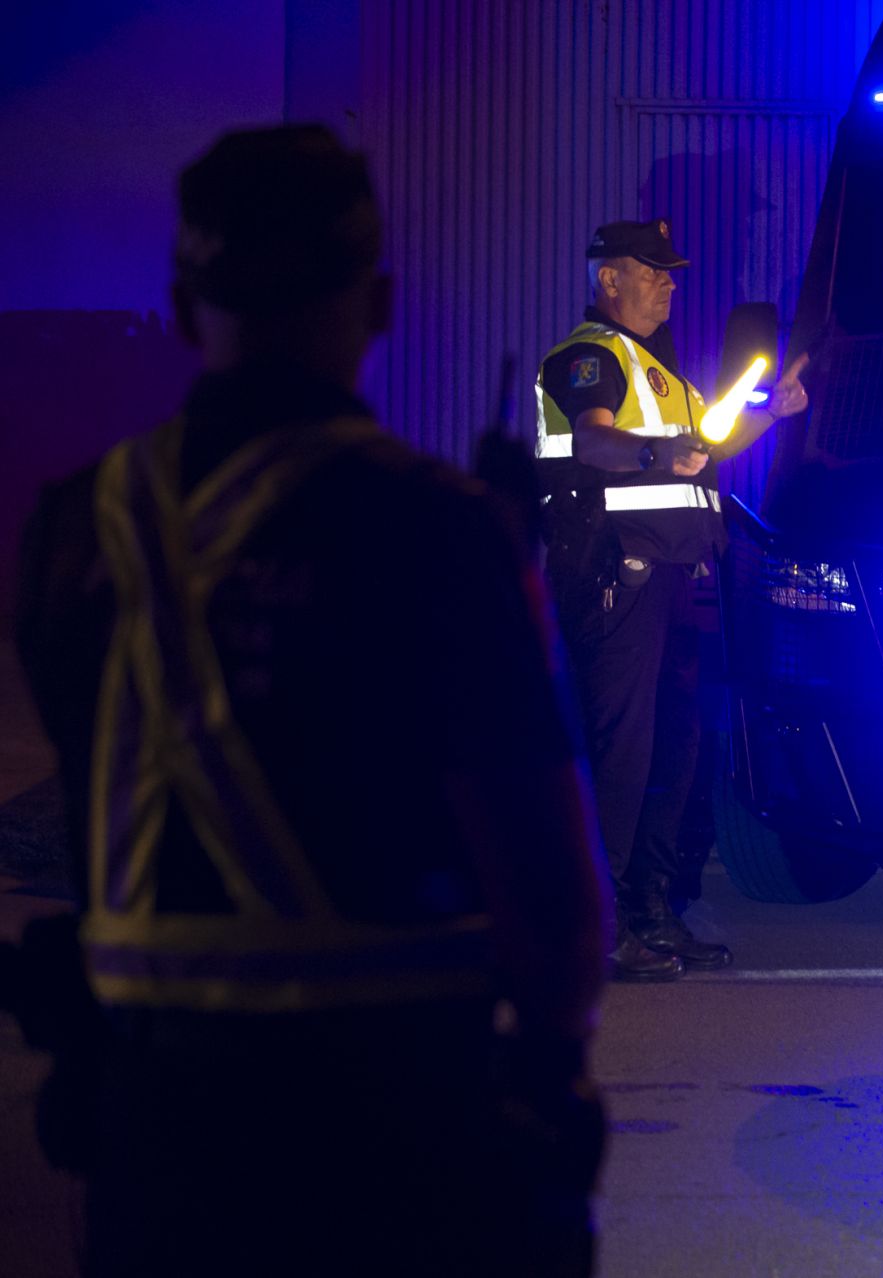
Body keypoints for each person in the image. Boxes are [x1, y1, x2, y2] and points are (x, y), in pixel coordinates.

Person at [13, 125, 612, 1277]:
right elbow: (552, 897)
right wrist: (551, 1081)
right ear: (377, 302)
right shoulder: (440, 532)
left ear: (186, 312)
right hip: (394, 1135)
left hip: (152, 1138)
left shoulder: (70, 531)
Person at [535, 220, 805, 981]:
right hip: (617, 577)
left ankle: (652, 914)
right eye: (651, 272)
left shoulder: (664, 373)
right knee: (623, 750)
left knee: (676, 749)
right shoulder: (590, 357)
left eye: (671, 273)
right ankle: (601, 923)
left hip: (676, 581)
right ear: (607, 279)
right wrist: (653, 451)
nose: (669, 284)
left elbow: (705, 452)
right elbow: (594, 443)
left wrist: (771, 414)